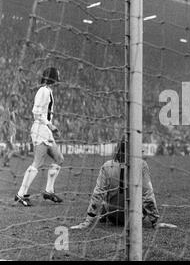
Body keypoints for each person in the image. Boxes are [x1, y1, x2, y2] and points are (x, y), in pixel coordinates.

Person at [70, 139, 175, 229]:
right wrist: (155, 222)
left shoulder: (107, 165)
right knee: (140, 194)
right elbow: (147, 194)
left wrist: (88, 221)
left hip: (112, 216)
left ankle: (103, 215)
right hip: (134, 217)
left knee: (105, 194)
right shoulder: (141, 165)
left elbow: (98, 193)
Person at [14, 67, 64, 206]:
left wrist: (51, 127)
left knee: (59, 159)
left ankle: (49, 191)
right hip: (40, 129)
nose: (59, 75)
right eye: (58, 73)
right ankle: (20, 194)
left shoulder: (48, 91)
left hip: (45, 130)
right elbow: (36, 112)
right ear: (53, 76)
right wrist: (50, 125)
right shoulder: (43, 91)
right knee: (38, 162)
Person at [0, 95, 25, 167]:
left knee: (9, 149)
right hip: (9, 134)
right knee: (12, 149)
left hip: (11, 133)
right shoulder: (8, 113)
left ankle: (5, 163)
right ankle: (5, 161)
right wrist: (6, 134)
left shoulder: (12, 112)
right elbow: (4, 124)